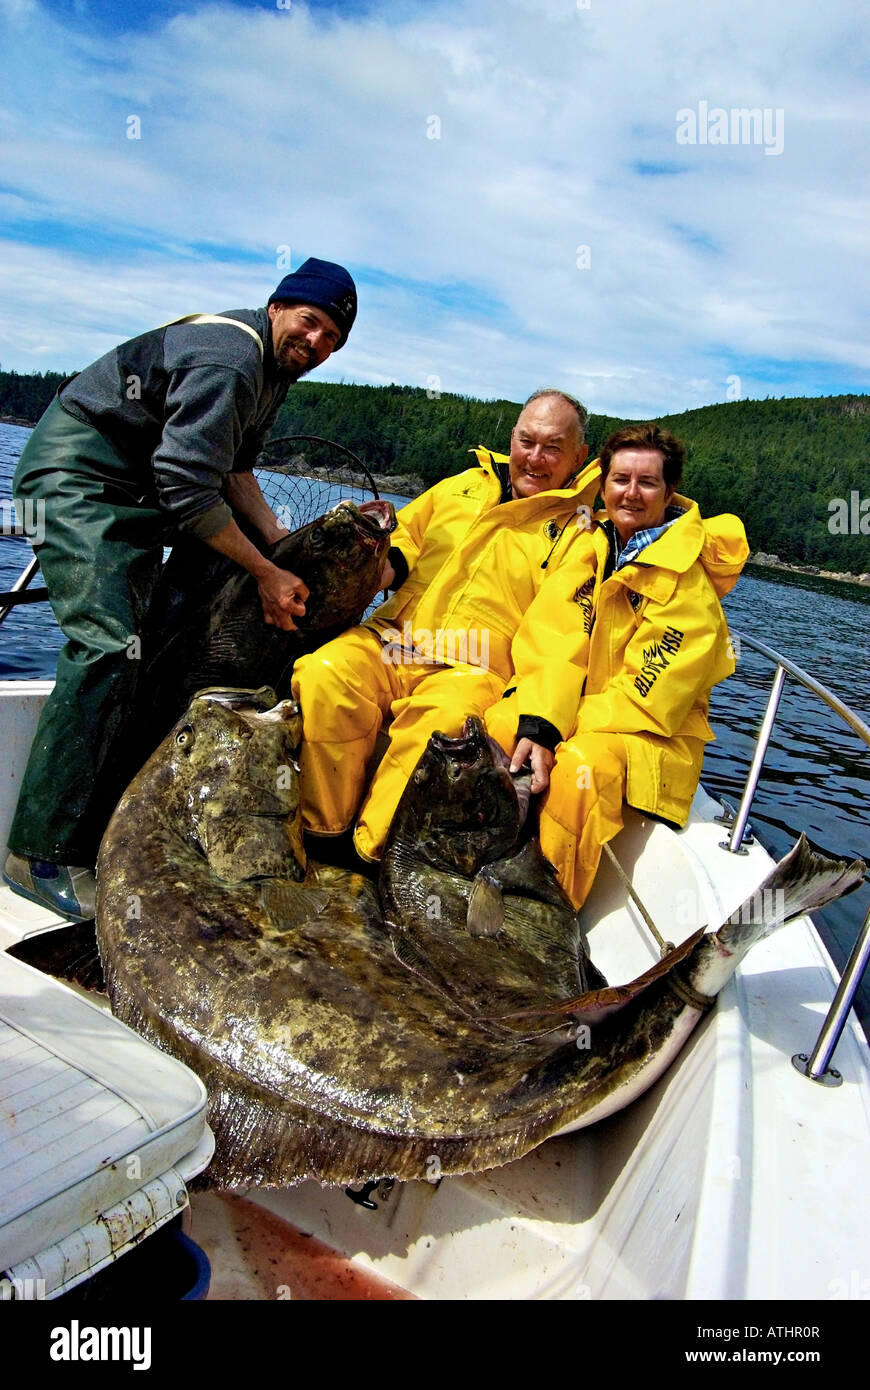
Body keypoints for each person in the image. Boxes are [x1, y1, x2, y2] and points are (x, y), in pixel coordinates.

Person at [4, 257, 358, 919]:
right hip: (77, 480)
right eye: (310, 323)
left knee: (176, 621)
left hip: (141, 489)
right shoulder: (232, 358)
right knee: (110, 645)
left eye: (332, 340)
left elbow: (236, 471)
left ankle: (127, 771)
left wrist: (277, 547)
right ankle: (39, 853)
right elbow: (189, 487)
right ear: (279, 305)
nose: (316, 344)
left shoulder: (272, 375)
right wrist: (265, 570)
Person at [291, 390, 601, 863]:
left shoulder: (580, 533)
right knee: (324, 673)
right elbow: (408, 535)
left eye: (553, 447)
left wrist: (541, 723)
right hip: (397, 641)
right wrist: (387, 563)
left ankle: (368, 857)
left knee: (440, 729)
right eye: (527, 441)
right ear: (512, 439)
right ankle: (321, 834)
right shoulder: (462, 486)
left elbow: (560, 637)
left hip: (472, 669)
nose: (534, 458)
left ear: (579, 457)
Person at [484, 421, 749, 909]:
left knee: (579, 772)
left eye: (647, 482)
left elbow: (649, 698)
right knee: (496, 726)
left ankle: (539, 917)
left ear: (669, 493)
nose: (631, 493)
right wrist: (542, 722)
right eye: (620, 479)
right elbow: (553, 643)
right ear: (602, 485)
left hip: (652, 738)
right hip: (582, 713)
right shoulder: (592, 549)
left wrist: (557, 734)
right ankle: (468, 876)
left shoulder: (687, 584)